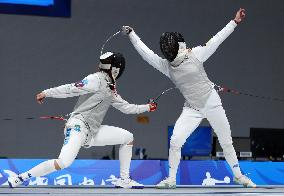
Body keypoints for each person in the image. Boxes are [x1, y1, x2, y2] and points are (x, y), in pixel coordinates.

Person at [122, 8, 256, 188]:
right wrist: (132, 35)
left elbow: (217, 40)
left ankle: (238, 175)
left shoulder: (196, 54)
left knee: (226, 141)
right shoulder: (167, 66)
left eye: (170, 47)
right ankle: (171, 179)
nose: (167, 50)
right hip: (192, 107)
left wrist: (234, 22)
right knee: (176, 141)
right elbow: (147, 54)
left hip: (211, 102)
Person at [8, 52, 157, 189]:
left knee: (127, 137)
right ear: (116, 69)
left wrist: (147, 107)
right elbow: (71, 89)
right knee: (63, 162)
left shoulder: (111, 88)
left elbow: (126, 108)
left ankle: (124, 180)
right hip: (78, 127)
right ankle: (21, 177)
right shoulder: (95, 79)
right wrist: (47, 93)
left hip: (92, 132)